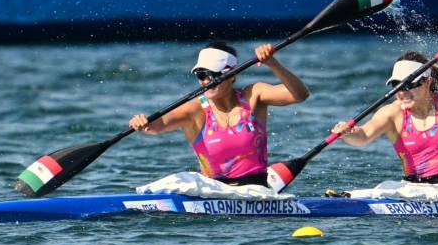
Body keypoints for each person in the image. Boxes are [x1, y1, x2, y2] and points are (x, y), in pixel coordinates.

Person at [129, 41, 310, 187]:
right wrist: (143, 123)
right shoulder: (195, 111)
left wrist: (273, 63)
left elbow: (300, 95)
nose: (206, 81)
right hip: (215, 191)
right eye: (201, 75)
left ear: (231, 75)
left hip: (257, 190)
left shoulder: (253, 95)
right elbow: (158, 125)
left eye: (212, 74)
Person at [331, 38, 438, 185]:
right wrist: (347, 133)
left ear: (427, 82)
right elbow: (363, 137)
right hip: (411, 190)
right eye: (397, 85)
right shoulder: (392, 113)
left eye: (409, 85)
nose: (402, 92)